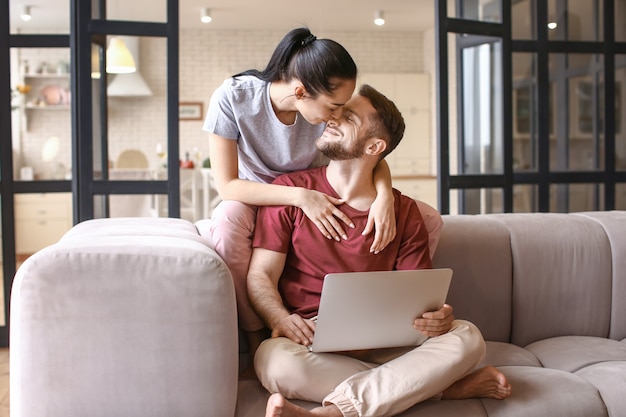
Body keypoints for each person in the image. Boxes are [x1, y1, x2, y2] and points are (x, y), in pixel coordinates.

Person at [247, 84, 512, 417]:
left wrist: (436, 317)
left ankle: (334, 412)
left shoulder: (403, 212)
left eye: (348, 117)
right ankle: (438, 388)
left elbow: (418, 300)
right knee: (274, 362)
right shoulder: (290, 192)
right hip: (310, 340)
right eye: (336, 110)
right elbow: (260, 274)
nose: (333, 119)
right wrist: (279, 317)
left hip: (390, 346)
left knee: (468, 336)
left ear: (374, 145)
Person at [201, 27, 443, 360]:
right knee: (228, 219)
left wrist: (385, 196)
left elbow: (369, 151)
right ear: (300, 92)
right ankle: (255, 333)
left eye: (344, 108)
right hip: (255, 193)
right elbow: (227, 185)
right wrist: (300, 197)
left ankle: (405, 313)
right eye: (335, 107)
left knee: (427, 216)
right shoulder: (234, 97)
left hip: (311, 186)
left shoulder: (322, 109)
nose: (337, 115)